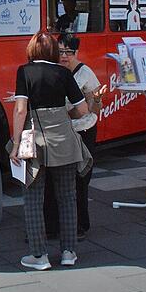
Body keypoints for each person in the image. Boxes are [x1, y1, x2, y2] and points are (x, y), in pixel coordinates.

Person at [10, 30, 91, 271]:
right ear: (54, 51)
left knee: (33, 197)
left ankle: (39, 255)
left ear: (32, 50)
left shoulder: (24, 72)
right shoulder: (64, 73)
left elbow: (20, 110)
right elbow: (83, 109)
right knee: (67, 196)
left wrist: (15, 144)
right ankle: (68, 252)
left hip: (34, 140)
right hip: (65, 140)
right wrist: (63, 115)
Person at [44, 34, 106, 241]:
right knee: (54, 180)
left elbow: (95, 105)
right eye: (60, 51)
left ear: (76, 52)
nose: (63, 56)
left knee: (81, 178)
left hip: (83, 130)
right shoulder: (55, 71)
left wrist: (93, 102)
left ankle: (80, 225)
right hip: (61, 130)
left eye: (68, 52)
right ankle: (53, 226)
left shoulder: (85, 73)